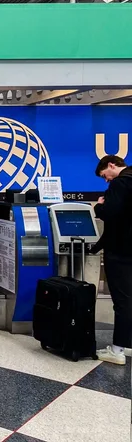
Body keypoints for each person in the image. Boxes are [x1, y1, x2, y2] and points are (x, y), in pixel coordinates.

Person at [93, 154, 132, 365]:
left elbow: (111, 214)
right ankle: (129, 344)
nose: (106, 180)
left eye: (104, 176)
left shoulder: (120, 183)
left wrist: (99, 206)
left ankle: (117, 350)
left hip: (120, 252)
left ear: (111, 165)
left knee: (122, 301)